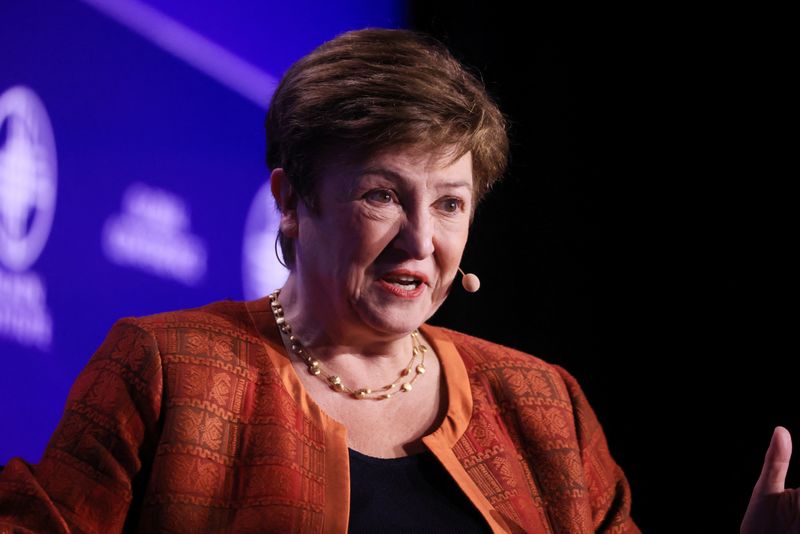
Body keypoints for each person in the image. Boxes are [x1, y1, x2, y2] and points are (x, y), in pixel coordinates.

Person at [8, 25, 765, 533]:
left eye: (449, 204)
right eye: (381, 195)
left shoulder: (544, 405)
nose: (421, 239)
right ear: (291, 200)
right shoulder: (168, 369)